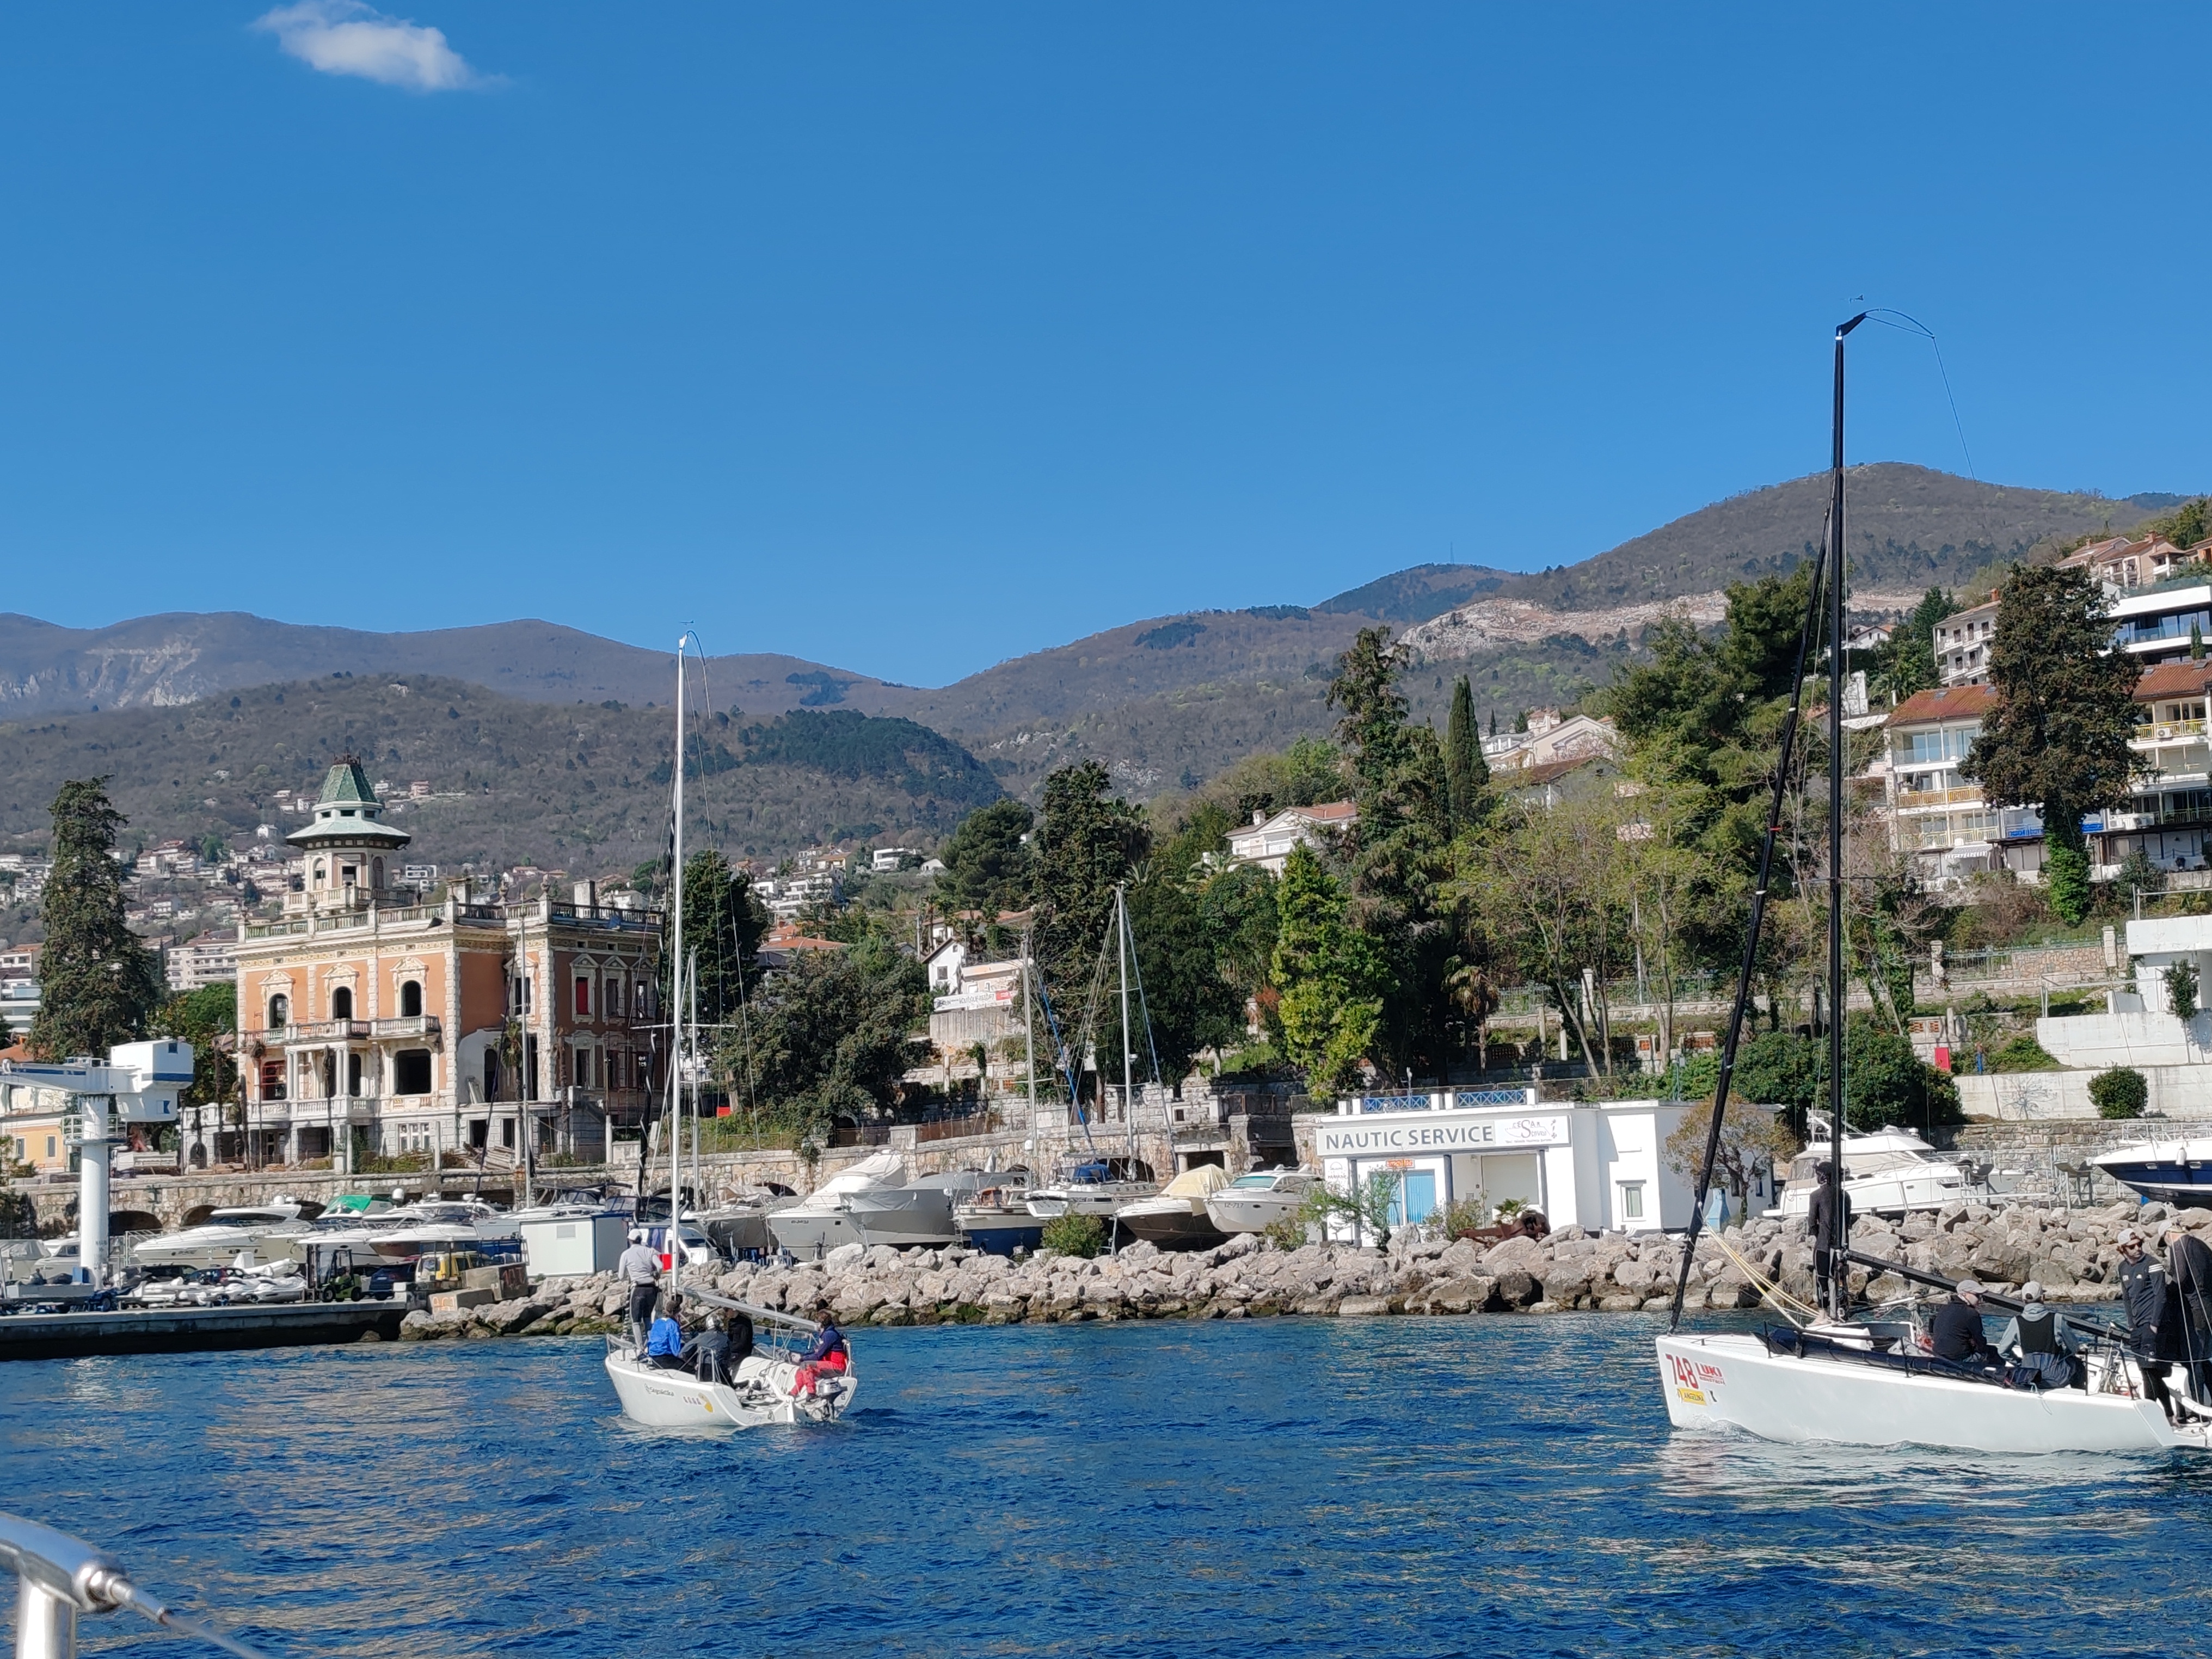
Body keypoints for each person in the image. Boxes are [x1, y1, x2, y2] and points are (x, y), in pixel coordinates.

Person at [2117, 1226, 2178, 1417]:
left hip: (2152, 1324)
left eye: (2139, 1244)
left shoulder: (2152, 1264)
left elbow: (2161, 1296)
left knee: (2150, 1371)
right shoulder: (2122, 1268)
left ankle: (2154, 1414)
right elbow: (2126, 1297)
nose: (2137, 1249)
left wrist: (2154, 1324)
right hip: (2137, 1326)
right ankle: (2168, 1415)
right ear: (2123, 1249)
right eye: (2132, 1246)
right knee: (2146, 1372)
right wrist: (2130, 1323)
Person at [1995, 1281, 2078, 1391]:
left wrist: (2019, 1362)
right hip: (2056, 1377)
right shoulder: (2057, 1319)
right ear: (2043, 1298)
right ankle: (2081, 1394)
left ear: (2023, 1300)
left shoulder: (2016, 1322)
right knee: (2078, 1364)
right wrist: (2064, 1357)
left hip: (2029, 1376)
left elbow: (2002, 1351)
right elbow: (2074, 1347)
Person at [1807, 1163, 1852, 1312]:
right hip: (1842, 1246)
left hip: (1823, 1245)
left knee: (1822, 1279)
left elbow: (1812, 1222)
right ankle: (1841, 1311)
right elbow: (1848, 1222)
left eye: (1818, 1174)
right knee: (1840, 1279)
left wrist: (1819, 1236)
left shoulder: (1816, 1195)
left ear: (1823, 1177)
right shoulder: (1845, 1196)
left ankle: (1823, 1315)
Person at [1928, 1278, 1999, 1367]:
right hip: (1960, 1359)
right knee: (1993, 1351)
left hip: (1939, 1355)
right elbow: (1981, 1341)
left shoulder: (1944, 1308)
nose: (1981, 1300)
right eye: (1977, 1295)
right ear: (1964, 1294)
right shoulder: (1971, 1313)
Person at [618, 1227, 661, 1350]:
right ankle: (652, 1346)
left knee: (636, 1321)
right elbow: (660, 1266)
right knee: (647, 1318)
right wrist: (657, 1275)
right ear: (641, 1240)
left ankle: (641, 1348)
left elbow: (621, 1276)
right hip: (651, 1289)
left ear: (630, 1240)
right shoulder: (649, 1251)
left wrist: (630, 1274)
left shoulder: (626, 1254)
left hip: (638, 1289)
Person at [791, 1318, 849, 1398]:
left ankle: (812, 1394)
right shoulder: (828, 1334)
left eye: (817, 1323)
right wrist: (804, 1356)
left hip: (837, 1367)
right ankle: (793, 1393)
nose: (815, 1325)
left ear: (822, 1324)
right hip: (829, 1364)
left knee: (805, 1365)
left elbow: (819, 1356)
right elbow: (820, 1353)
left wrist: (801, 1359)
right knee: (801, 1369)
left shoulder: (829, 1335)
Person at [684, 1312, 732, 1384]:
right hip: (720, 1372)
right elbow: (730, 1354)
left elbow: (684, 1352)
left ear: (707, 1324)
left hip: (703, 1371)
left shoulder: (701, 1337)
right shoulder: (726, 1338)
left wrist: (694, 1364)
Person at [646, 1292, 687, 1371]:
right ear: (677, 1312)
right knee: (691, 1369)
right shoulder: (673, 1325)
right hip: (664, 1358)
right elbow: (676, 1349)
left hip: (653, 1356)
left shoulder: (657, 1322)